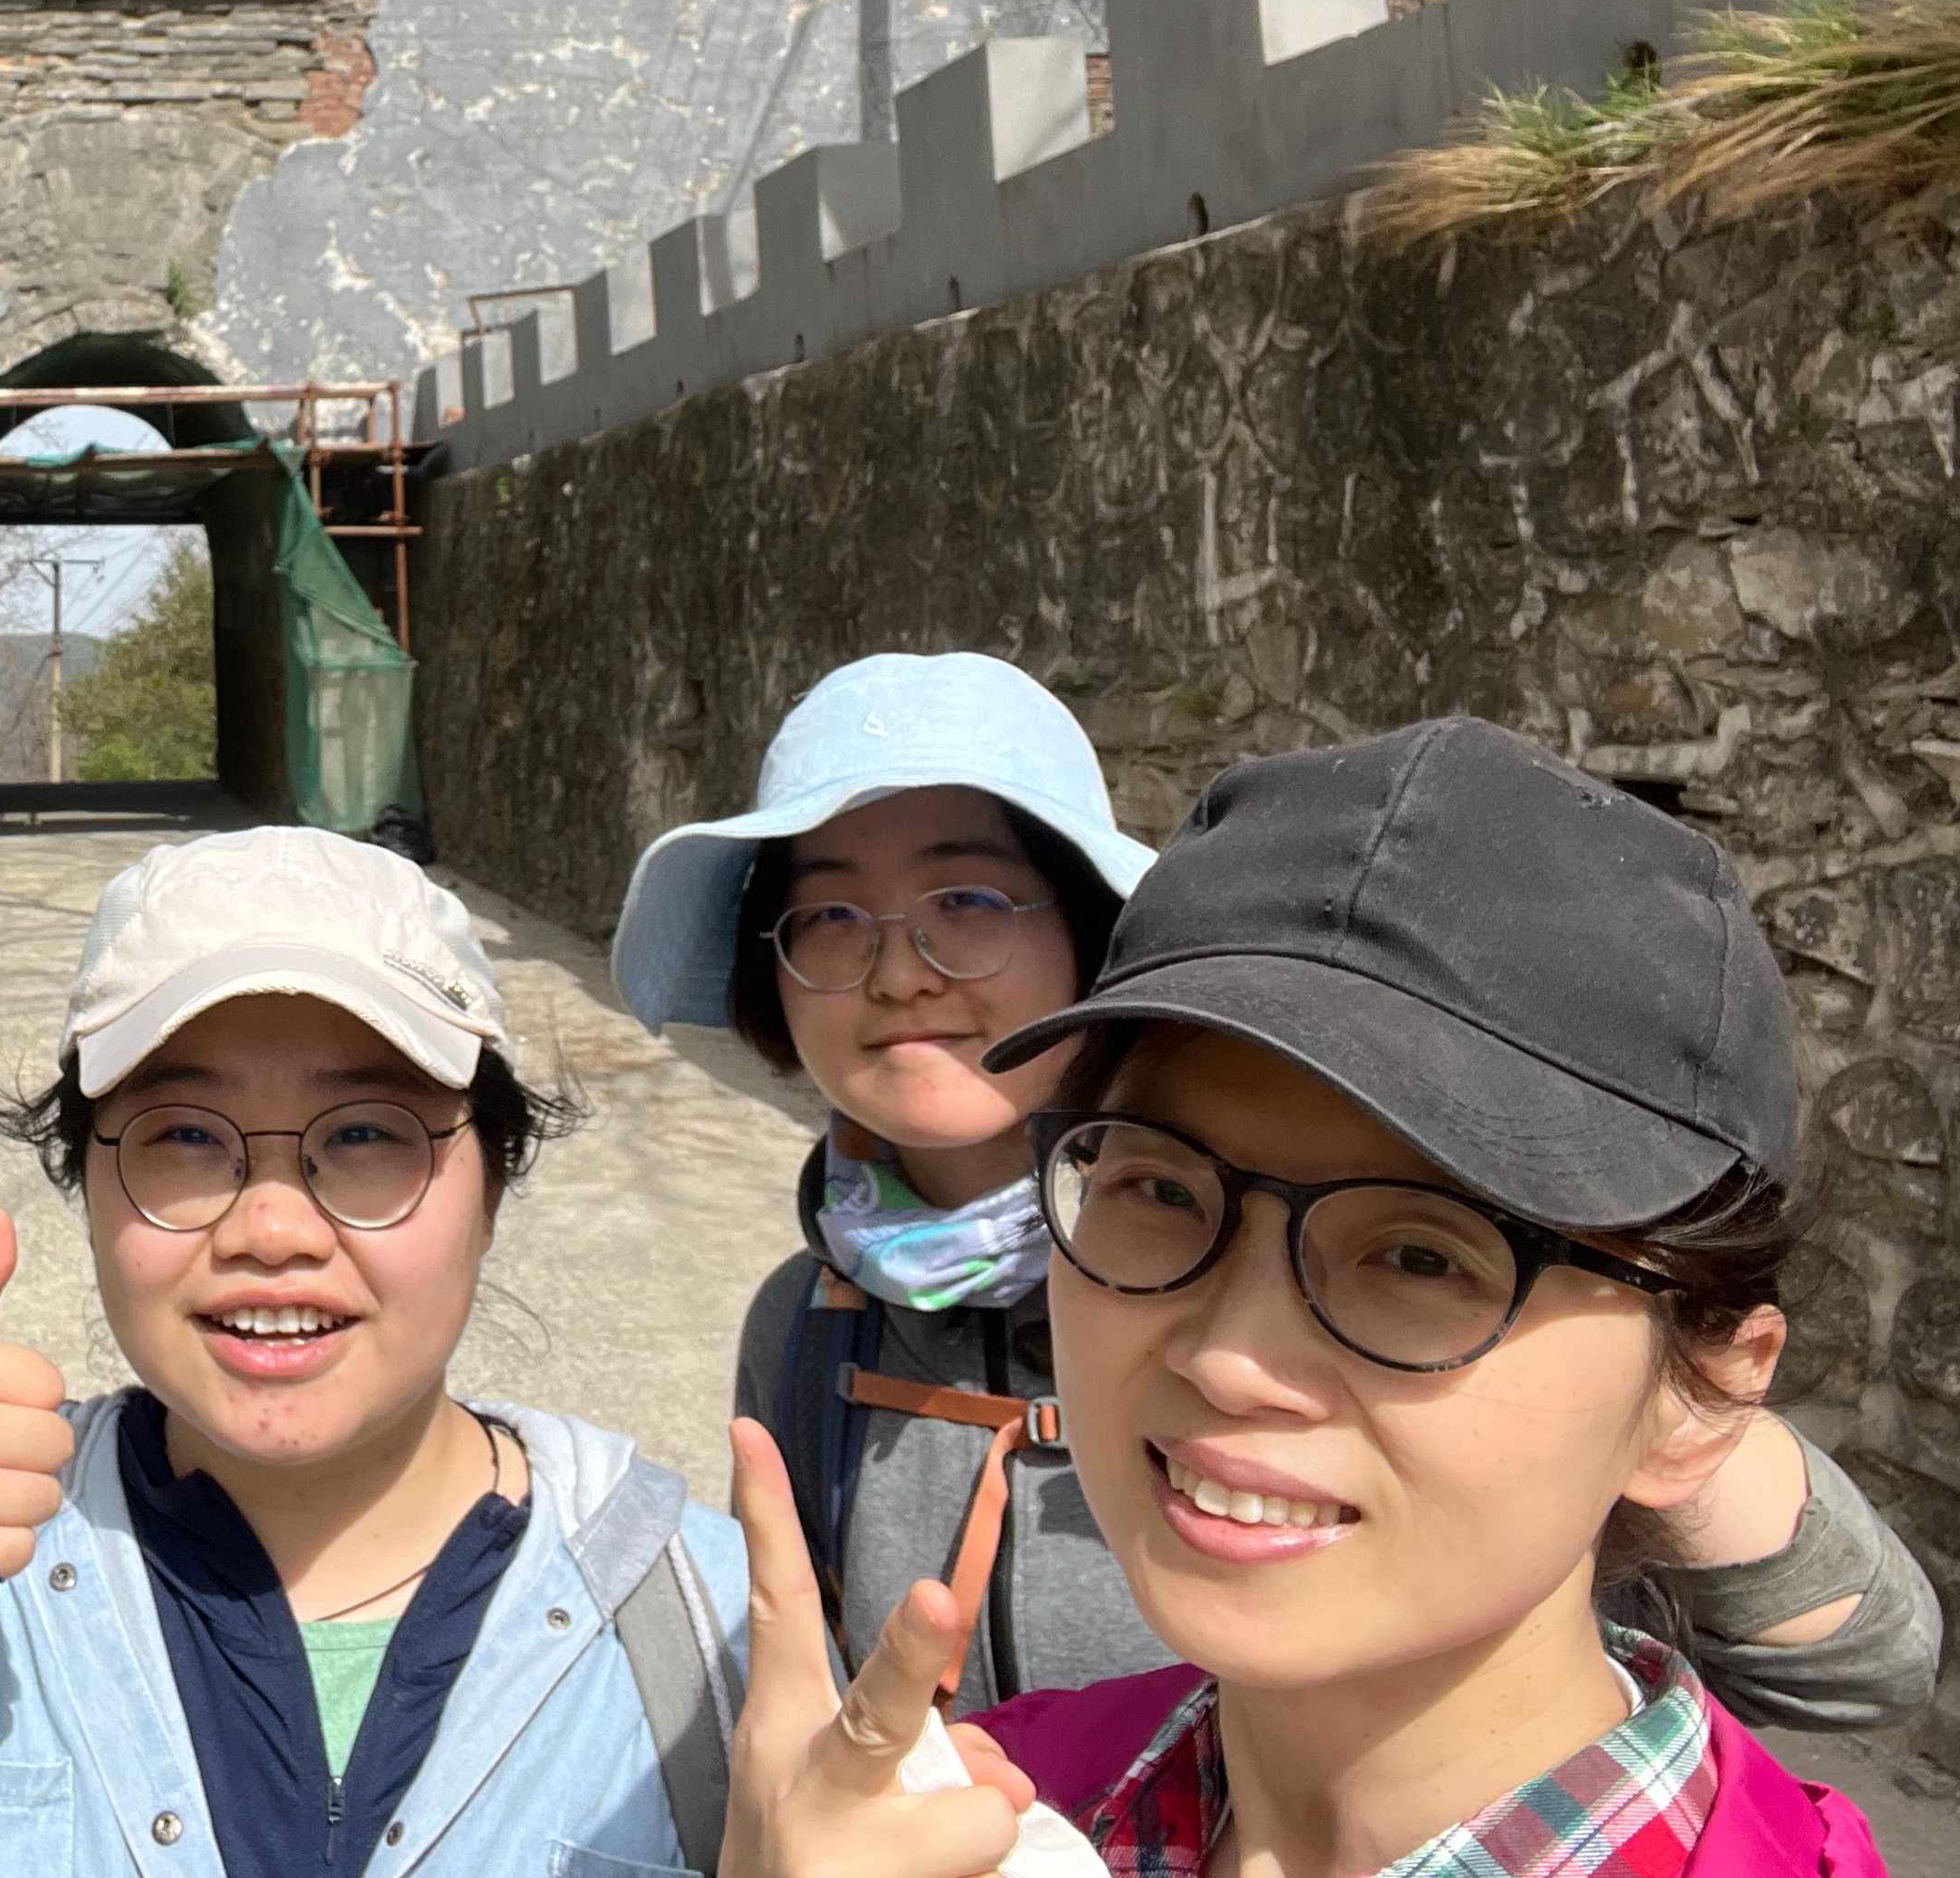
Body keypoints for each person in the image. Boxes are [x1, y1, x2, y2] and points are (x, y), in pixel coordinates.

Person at [613, 654, 1936, 1724]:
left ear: (1091, 932)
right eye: (829, 916)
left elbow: (1859, 1662)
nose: (899, 969)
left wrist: (1659, 1396)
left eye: (967, 900)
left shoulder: (1482, 1302)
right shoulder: (812, 1327)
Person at [0, 825, 757, 1875]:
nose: (271, 1231)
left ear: (494, 1186)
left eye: (366, 1134)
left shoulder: (710, 1630)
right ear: (85, 1187)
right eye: (185, 1136)